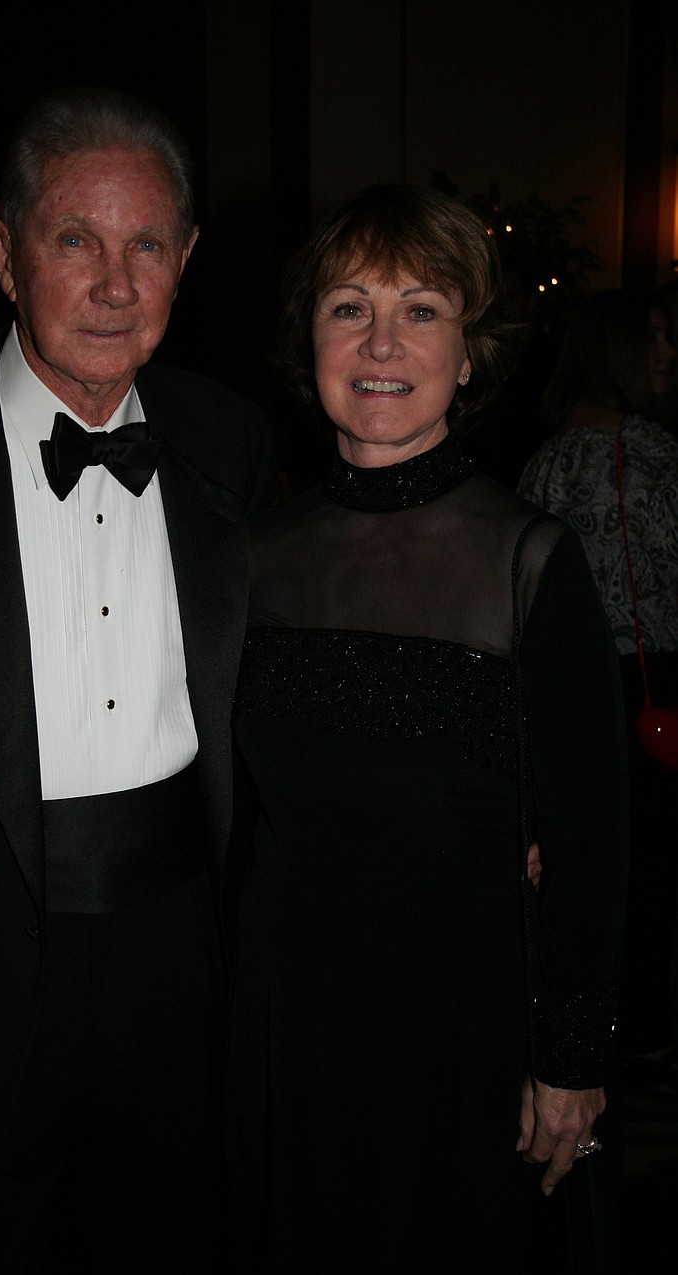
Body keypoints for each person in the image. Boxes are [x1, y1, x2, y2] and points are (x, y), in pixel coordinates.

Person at [0, 86, 274, 1273]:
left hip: (183, 971)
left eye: (145, 247)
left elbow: (309, 688)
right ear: (2, 253)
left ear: (185, 261)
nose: (115, 284)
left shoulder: (237, 445)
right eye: (76, 239)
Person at [225, 184, 627, 1272]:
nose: (381, 342)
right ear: (309, 337)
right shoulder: (251, 556)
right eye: (349, 307)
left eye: (421, 309)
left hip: (463, 1030)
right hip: (283, 1023)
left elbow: (589, 833)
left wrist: (571, 1052)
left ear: (469, 347)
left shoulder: (527, 557)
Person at [519, 289, 678, 1078]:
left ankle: (595, 1023)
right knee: (648, 867)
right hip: (650, 686)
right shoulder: (649, 450)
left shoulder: (543, 457)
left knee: (589, 861)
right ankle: (642, 1028)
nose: (666, 353)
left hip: (562, 692)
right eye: (651, 337)